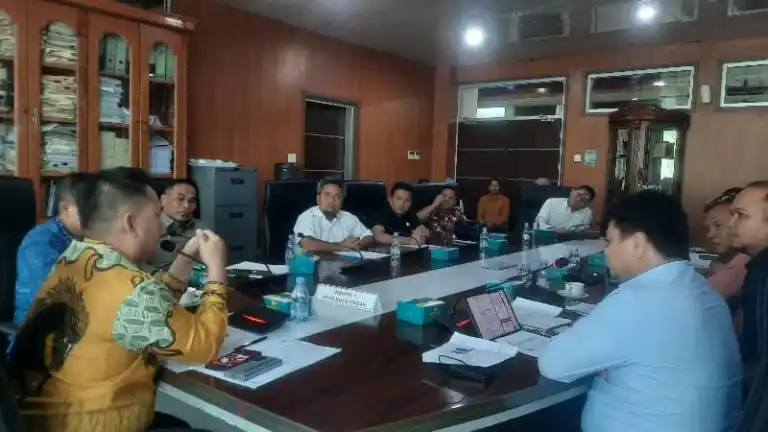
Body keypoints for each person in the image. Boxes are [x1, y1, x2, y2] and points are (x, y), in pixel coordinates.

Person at [9, 167, 229, 432]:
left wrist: (185, 258)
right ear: (131, 223)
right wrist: (217, 269)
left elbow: (149, 310)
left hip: (42, 419)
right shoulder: (131, 288)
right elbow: (204, 346)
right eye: (156, 216)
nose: (162, 226)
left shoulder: (75, 257)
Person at [539, 191, 742, 432]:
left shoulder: (637, 300)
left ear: (637, 244)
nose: (606, 251)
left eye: (610, 241)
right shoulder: (705, 291)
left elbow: (553, 364)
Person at [14, 172, 94, 326]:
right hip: (40, 329)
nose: (97, 215)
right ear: (65, 208)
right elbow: (54, 296)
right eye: (89, 209)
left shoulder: (89, 236)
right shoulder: (40, 242)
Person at [728, 181, 768, 431]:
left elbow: (756, 356)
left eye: (741, 215)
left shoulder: (763, 273)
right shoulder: (757, 266)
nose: (732, 224)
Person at [293, 177, 373, 253]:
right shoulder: (307, 217)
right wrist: (341, 245)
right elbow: (307, 244)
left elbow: (368, 236)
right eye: (327, 195)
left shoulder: (348, 217)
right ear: (318, 199)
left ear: (342, 200)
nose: (332, 200)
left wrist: (358, 244)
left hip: (342, 262)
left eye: (337, 196)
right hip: (313, 263)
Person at [147, 179, 208, 271]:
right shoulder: (148, 226)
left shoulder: (200, 227)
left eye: (191, 201)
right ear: (163, 200)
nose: (186, 205)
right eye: (180, 199)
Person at [703, 188, 750, 299]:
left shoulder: (742, 266)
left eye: (717, 225)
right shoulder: (727, 261)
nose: (710, 235)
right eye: (708, 228)